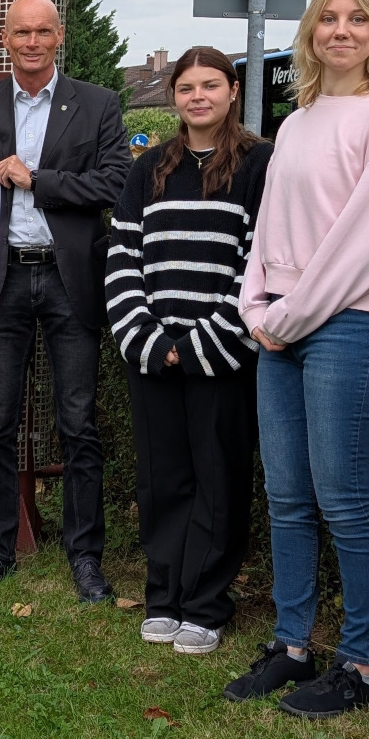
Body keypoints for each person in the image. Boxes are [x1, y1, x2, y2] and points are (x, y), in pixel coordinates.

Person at [226, 0, 369, 717]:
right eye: (327, 18)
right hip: (281, 327)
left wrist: (288, 315)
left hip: (354, 328)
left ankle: (362, 668)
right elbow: (272, 231)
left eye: (357, 19)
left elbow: (368, 244)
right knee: (286, 497)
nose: (340, 30)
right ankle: (291, 645)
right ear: (310, 32)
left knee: (344, 499)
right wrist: (255, 303)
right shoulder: (301, 119)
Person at [0, 0, 131, 601]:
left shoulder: (98, 105)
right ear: (4, 41)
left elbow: (114, 183)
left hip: (70, 281)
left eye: (43, 31)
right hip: (1, 280)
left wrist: (37, 179)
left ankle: (85, 556)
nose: (32, 42)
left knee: (78, 422)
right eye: (21, 33)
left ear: (59, 36)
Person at [106, 47, 272, 656]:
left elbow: (261, 261)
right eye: (185, 88)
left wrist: (204, 342)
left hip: (222, 354)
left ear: (232, 90)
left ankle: (205, 604)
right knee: (162, 479)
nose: (197, 96)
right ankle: (164, 597)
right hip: (152, 351)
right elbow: (123, 257)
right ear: (173, 97)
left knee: (218, 479)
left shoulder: (260, 164)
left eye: (210, 86)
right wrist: (149, 340)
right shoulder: (148, 167)